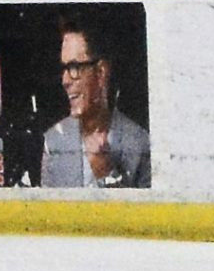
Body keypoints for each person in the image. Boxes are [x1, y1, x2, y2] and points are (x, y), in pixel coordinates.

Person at [41, 15, 150, 187]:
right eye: (64, 69)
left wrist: (107, 173)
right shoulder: (53, 141)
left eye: (74, 68)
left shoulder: (139, 144)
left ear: (100, 73)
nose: (65, 81)